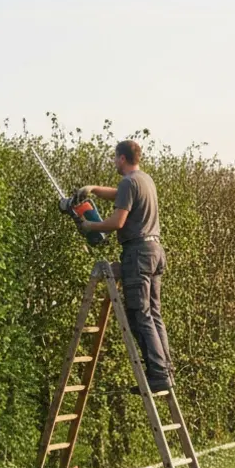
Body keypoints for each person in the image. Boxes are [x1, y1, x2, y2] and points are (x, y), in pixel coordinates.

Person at [74, 139, 173, 393]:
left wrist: (91, 226)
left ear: (121, 158)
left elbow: (118, 221)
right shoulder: (144, 180)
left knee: (140, 314)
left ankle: (158, 374)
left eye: (114, 158)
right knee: (153, 313)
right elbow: (119, 195)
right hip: (155, 250)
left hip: (138, 252)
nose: (114, 162)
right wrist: (94, 189)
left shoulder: (129, 182)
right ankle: (165, 371)